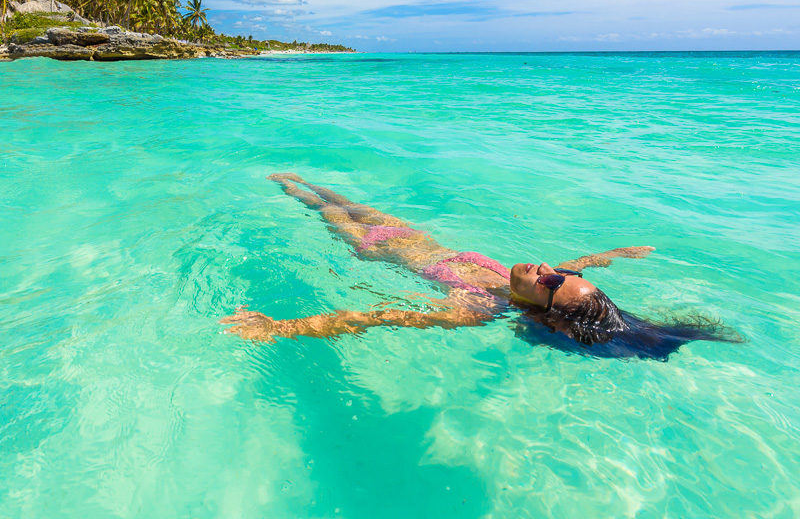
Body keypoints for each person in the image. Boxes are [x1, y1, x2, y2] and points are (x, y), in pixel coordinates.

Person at [221, 174, 740, 359]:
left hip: (374, 247)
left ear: (544, 308)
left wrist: (282, 328)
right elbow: (578, 263)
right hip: (411, 235)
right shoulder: (543, 279)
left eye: (553, 281)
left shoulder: (477, 307)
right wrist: (618, 254)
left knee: (318, 205)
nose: (548, 268)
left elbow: (377, 317)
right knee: (339, 194)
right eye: (563, 273)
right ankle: (294, 177)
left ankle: (279, 183)